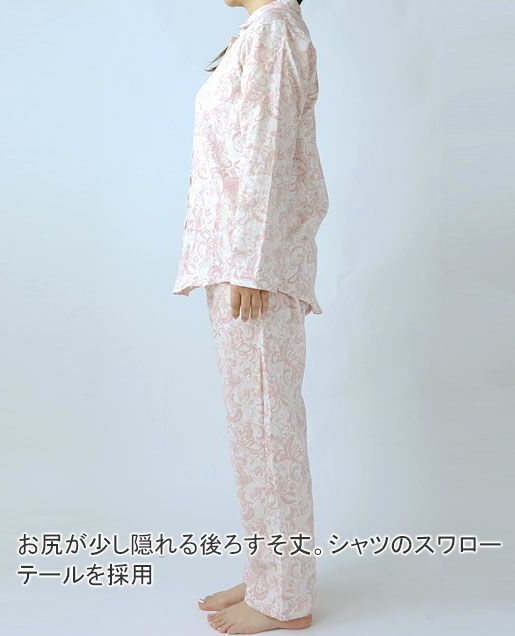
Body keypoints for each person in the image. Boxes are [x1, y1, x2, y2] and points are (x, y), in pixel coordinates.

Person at [171, 0, 328, 632]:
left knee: (268, 430)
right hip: (237, 262)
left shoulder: (273, 32)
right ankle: (270, 573)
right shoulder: (260, 34)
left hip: (251, 269)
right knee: (253, 432)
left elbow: (267, 152)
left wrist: (251, 265)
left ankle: (285, 598)